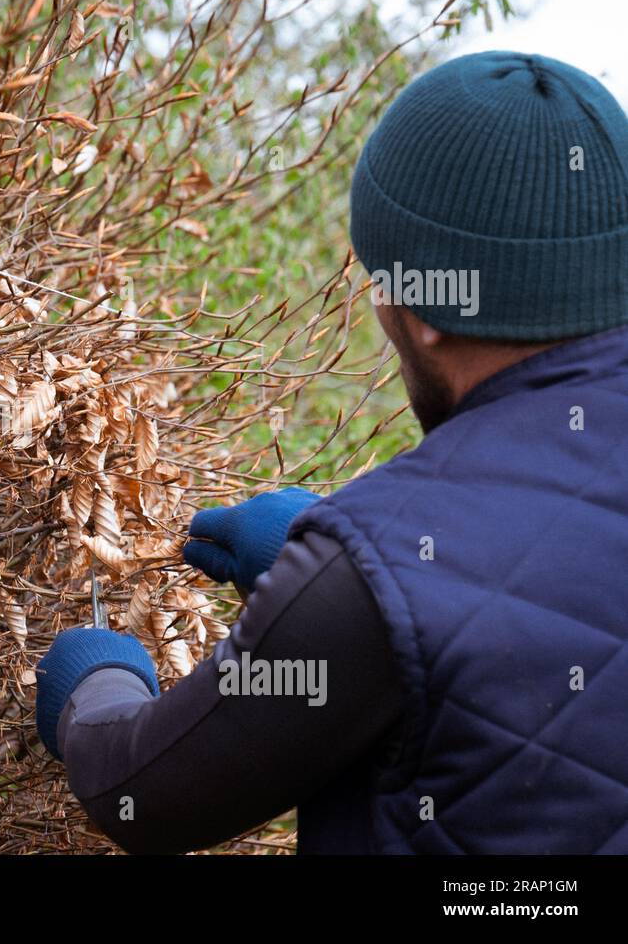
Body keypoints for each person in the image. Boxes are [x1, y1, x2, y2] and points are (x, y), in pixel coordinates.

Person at [34, 51, 628, 854]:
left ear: (429, 312)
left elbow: (142, 792)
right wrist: (362, 569)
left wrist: (96, 689)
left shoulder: (369, 574)